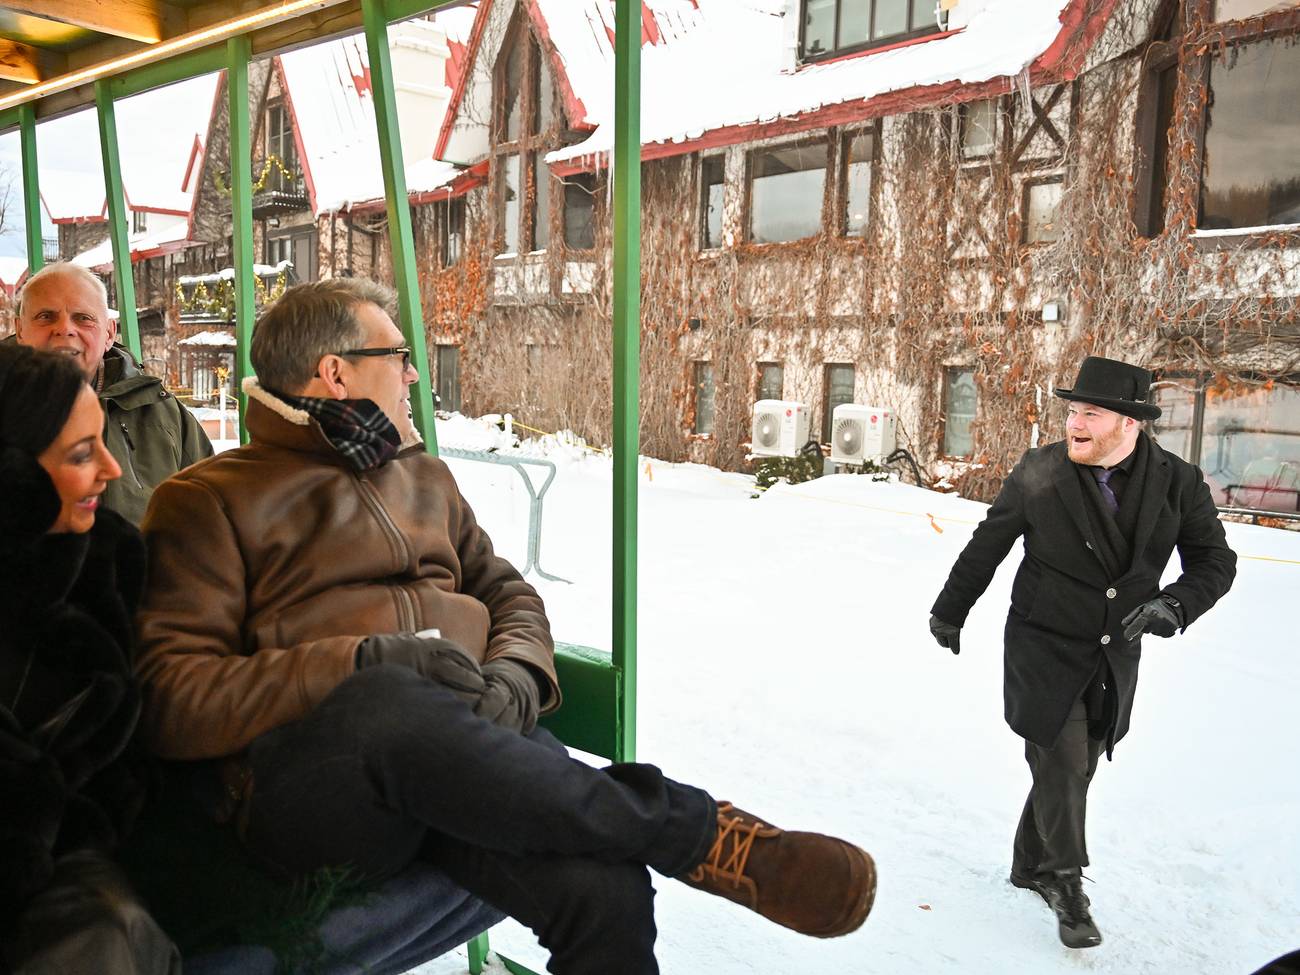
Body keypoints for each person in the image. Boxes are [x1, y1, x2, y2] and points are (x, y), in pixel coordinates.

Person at [134, 279, 877, 973]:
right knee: (386, 700)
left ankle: (663, 837)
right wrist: (356, 662)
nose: (412, 376)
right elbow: (172, 695)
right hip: (311, 794)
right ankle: (696, 832)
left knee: (605, 891)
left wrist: (517, 674)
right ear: (336, 372)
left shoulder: (422, 476)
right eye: (398, 357)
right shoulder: (206, 501)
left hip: (455, 758)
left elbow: (508, 593)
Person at [929, 356, 1236, 949]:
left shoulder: (1179, 482)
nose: (1075, 423)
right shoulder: (1039, 471)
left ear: (1129, 423)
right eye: (1072, 411)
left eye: (1090, 413)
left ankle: (1029, 865)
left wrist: (1174, 605)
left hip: (1114, 651)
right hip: (1041, 642)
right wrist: (951, 607)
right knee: (1063, 760)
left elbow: (1215, 562)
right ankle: (1067, 887)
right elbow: (987, 544)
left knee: (1074, 763)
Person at [0, 344, 179, 974]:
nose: (110, 469)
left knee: (112, 934)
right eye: (81, 455)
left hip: (70, 859)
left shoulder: (108, 560)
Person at [14, 262, 212, 525]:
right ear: (19, 330)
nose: (65, 329)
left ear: (109, 333)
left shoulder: (165, 415)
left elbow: (210, 518)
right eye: (46, 317)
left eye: (83, 318)